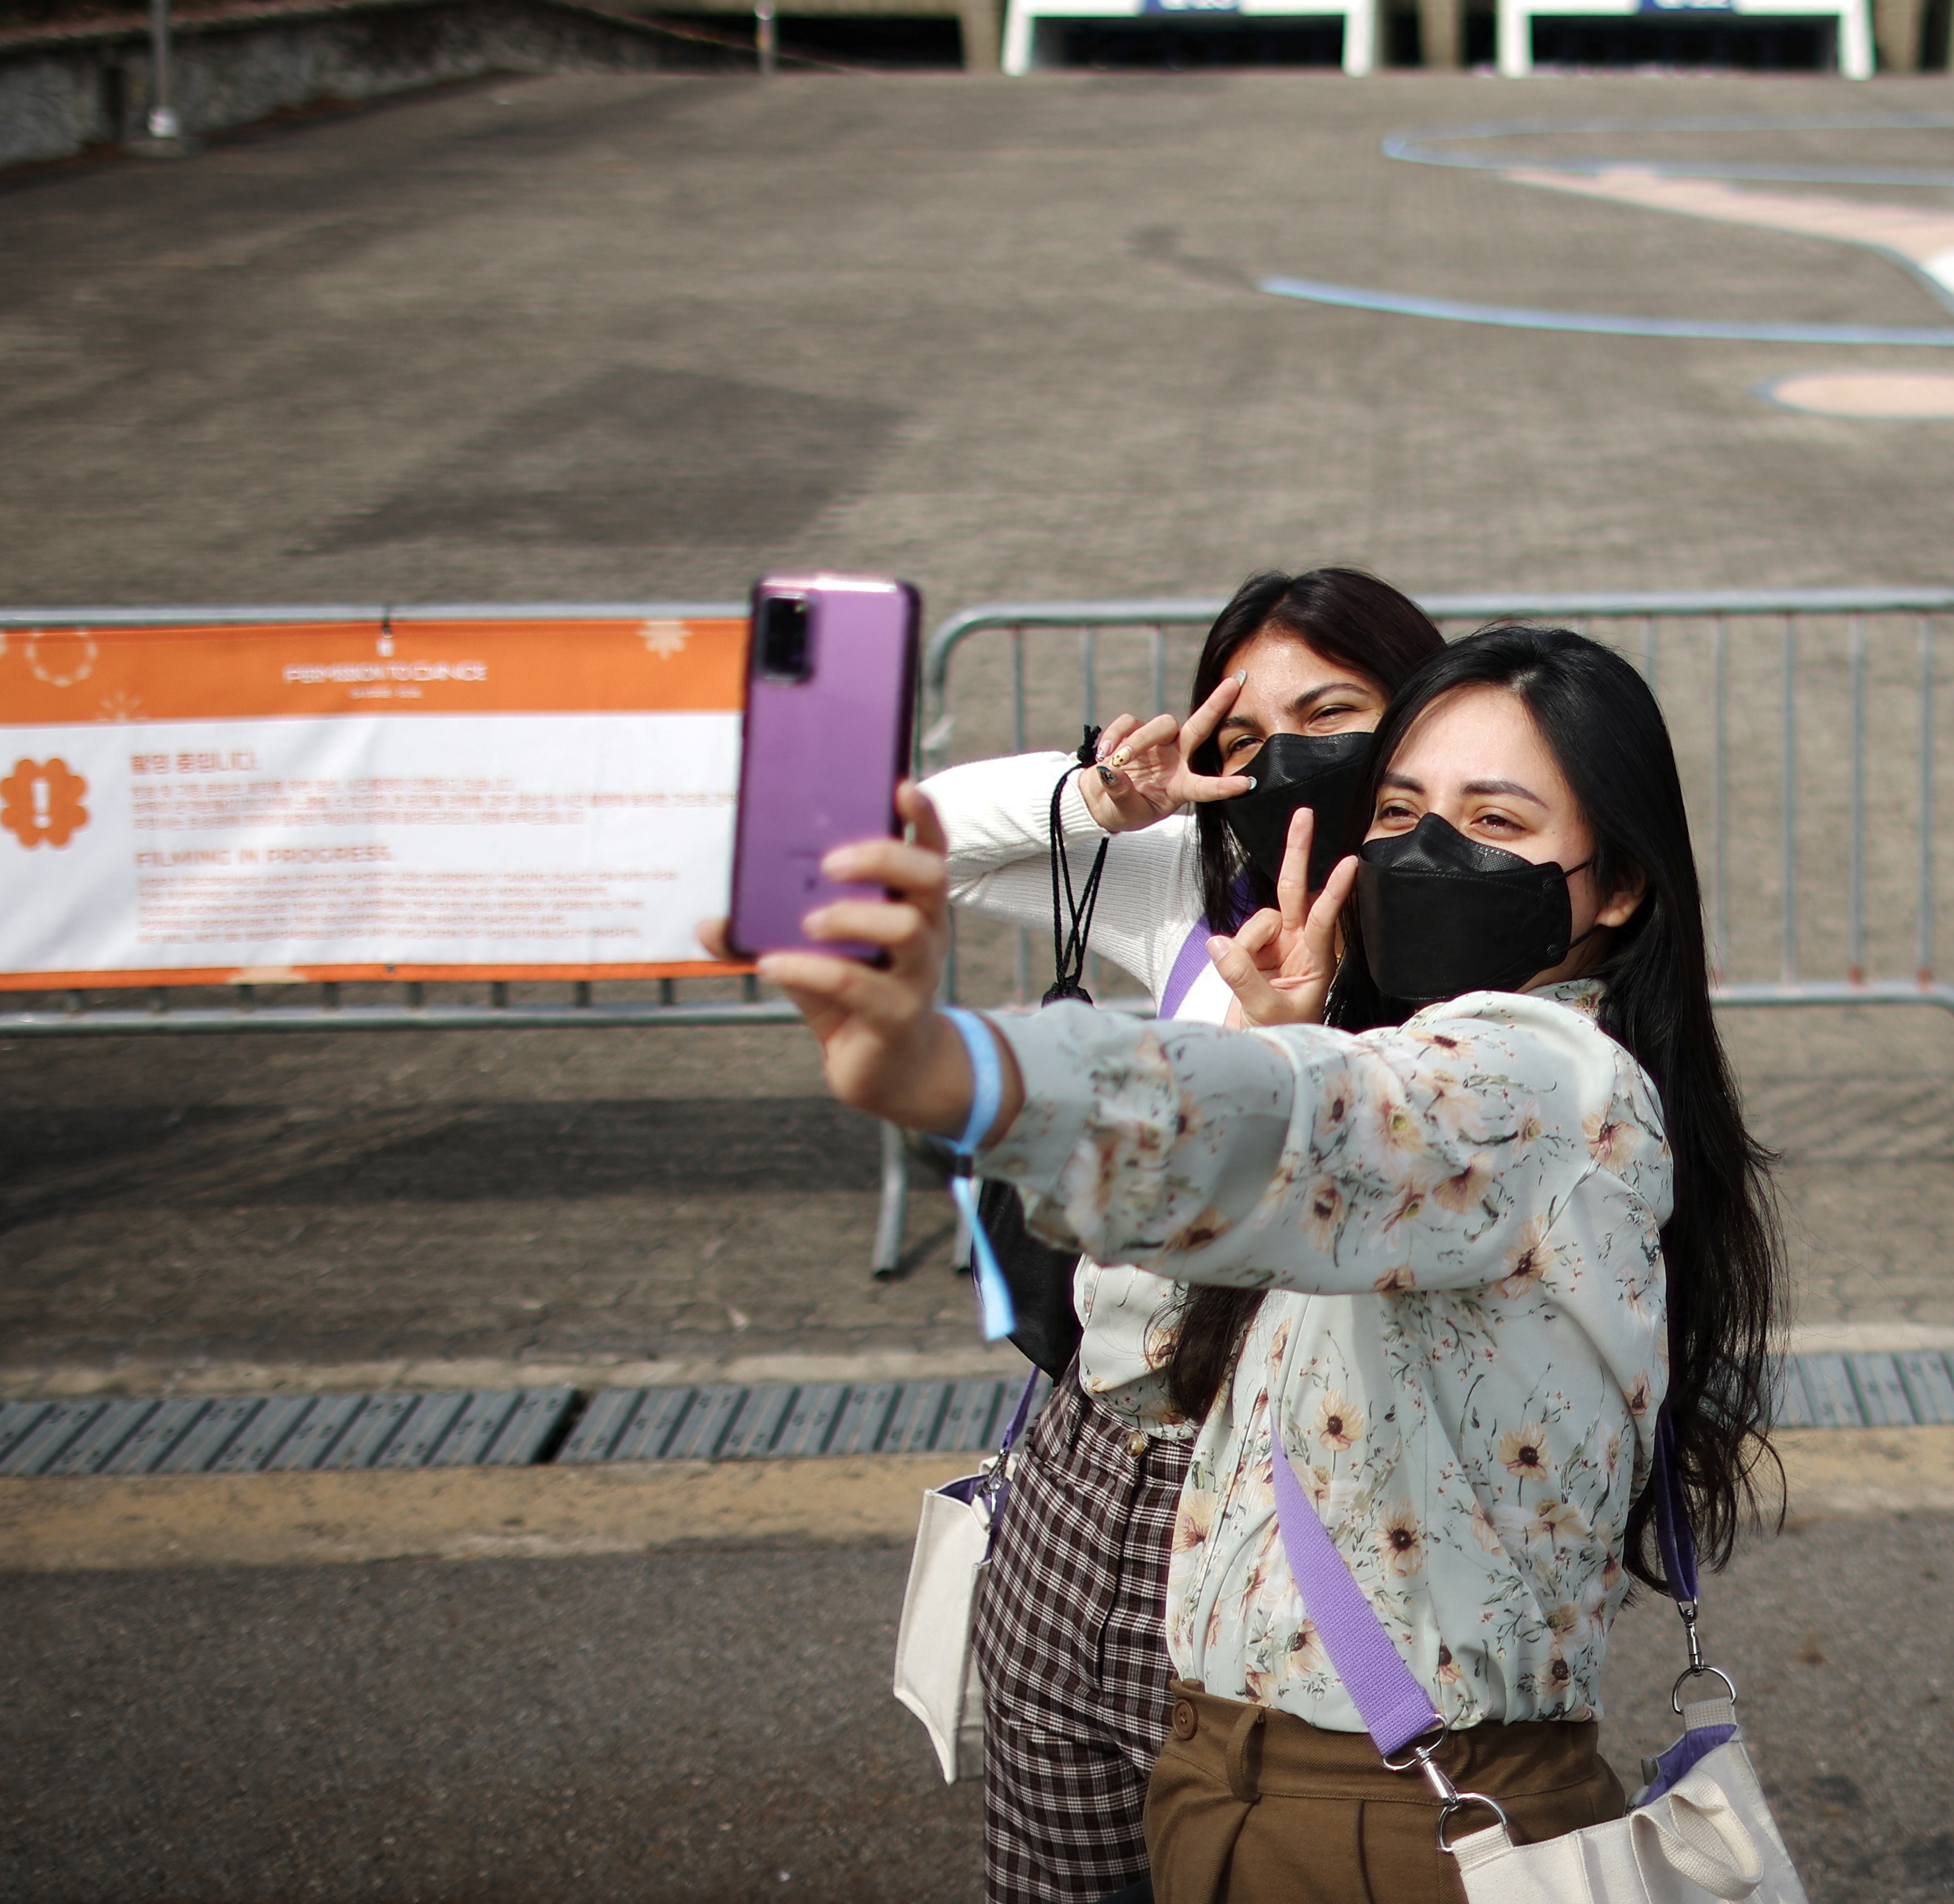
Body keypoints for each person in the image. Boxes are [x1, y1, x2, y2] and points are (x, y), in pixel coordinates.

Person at [764, 626, 1783, 1904]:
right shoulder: (1417, 1063)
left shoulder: (1544, 1076)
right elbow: (1340, 1133)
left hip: (1384, 1813)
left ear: (1618, 884)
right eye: (1401, 807)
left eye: (1496, 819)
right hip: (1257, 1777)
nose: (1428, 848)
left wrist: (958, 1069)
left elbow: (1349, 1122)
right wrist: (1293, 1040)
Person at [925, 570, 1448, 1904]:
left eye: (1328, 712)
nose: (1281, 761)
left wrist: (1301, 1042)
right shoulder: (1186, 898)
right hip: (1083, 1476)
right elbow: (905, 840)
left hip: (1315, 1531)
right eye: (1238, 737)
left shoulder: (1476, 959)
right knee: (1054, 1875)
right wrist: (1099, 800)